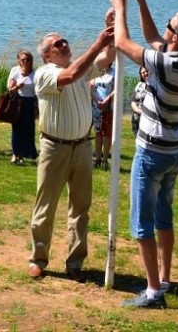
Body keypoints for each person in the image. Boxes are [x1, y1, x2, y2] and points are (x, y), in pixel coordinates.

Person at [110, 0, 178, 309]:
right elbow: (152, 38)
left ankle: (152, 293)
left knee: (141, 223)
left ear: (175, 36)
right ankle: (163, 278)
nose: (163, 30)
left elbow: (122, 42)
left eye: (168, 26)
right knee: (165, 217)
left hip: (151, 154)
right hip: (173, 152)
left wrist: (120, 5)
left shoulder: (166, 64)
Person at [28, 23, 114, 282]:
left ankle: (75, 262)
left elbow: (106, 58)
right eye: (58, 44)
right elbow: (71, 75)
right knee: (45, 207)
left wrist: (111, 26)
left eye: (64, 41)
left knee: (81, 207)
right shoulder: (45, 73)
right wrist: (97, 43)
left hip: (83, 146)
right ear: (47, 55)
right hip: (55, 148)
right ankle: (38, 259)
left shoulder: (77, 67)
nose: (64, 44)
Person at [7, 49, 38, 165]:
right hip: (18, 102)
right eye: (23, 59)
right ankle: (15, 155)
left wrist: (36, 107)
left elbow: (37, 91)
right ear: (19, 60)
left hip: (30, 103)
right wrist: (17, 87)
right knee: (16, 130)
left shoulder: (35, 73)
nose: (26, 61)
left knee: (28, 130)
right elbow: (10, 90)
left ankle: (25, 154)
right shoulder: (15, 71)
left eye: (28, 59)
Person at [91, 63, 115, 169]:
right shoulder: (95, 72)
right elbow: (91, 88)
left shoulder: (114, 73)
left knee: (107, 134)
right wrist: (97, 101)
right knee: (98, 132)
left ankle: (105, 160)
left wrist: (106, 100)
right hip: (96, 106)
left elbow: (116, 89)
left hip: (108, 106)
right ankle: (98, 158)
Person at [130, 66, 148, 137]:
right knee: (137, 140)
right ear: (140, 75)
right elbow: (133, 101)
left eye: (147, 71)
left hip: (148, 118)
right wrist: (138, 110)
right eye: (143, 72)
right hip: (136, 117)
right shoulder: (139, 85)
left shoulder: (155, 85)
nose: (145, 73)